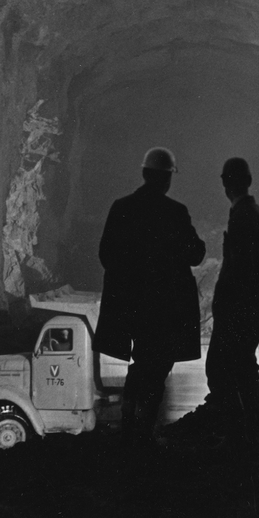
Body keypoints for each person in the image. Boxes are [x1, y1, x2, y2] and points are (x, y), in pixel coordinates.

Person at [94, 147, 206, 445]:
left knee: (141, 364)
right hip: (165, 308)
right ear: (167, 179)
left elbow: (106, 255)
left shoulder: (122, 208)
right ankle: (143, 432)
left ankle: (130, 428)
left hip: (131, 306)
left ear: (145, 173)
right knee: (156, 369)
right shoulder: (175, 212)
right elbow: (196, 254)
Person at [204, 157, 259, 436]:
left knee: (220, 371)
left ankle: (238, 435)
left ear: (226, 184)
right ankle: (250, 433)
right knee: (243, 369)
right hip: (253, 307)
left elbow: (239, 270)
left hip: (239, 310)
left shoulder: (243, 217)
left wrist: (225, 308)